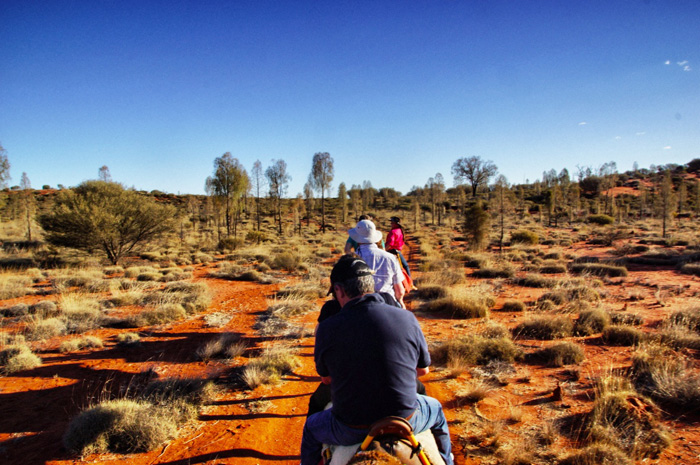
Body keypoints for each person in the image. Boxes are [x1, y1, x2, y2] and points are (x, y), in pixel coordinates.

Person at [300, 255, 453, 465]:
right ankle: (448, 460)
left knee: (311, 428)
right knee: (435, 410)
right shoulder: (407, 317)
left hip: (351, 426)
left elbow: (326, 380)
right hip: (406, 417)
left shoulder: (327, 327)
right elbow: (423, 371)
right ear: (370, 285)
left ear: (339, 290)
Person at [348, 219, 405, 307]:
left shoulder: (351, 260)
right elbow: (400, 291)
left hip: (360, 305)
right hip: (387, 304)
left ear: (357, 238)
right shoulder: (390, 258)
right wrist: (400, 301)